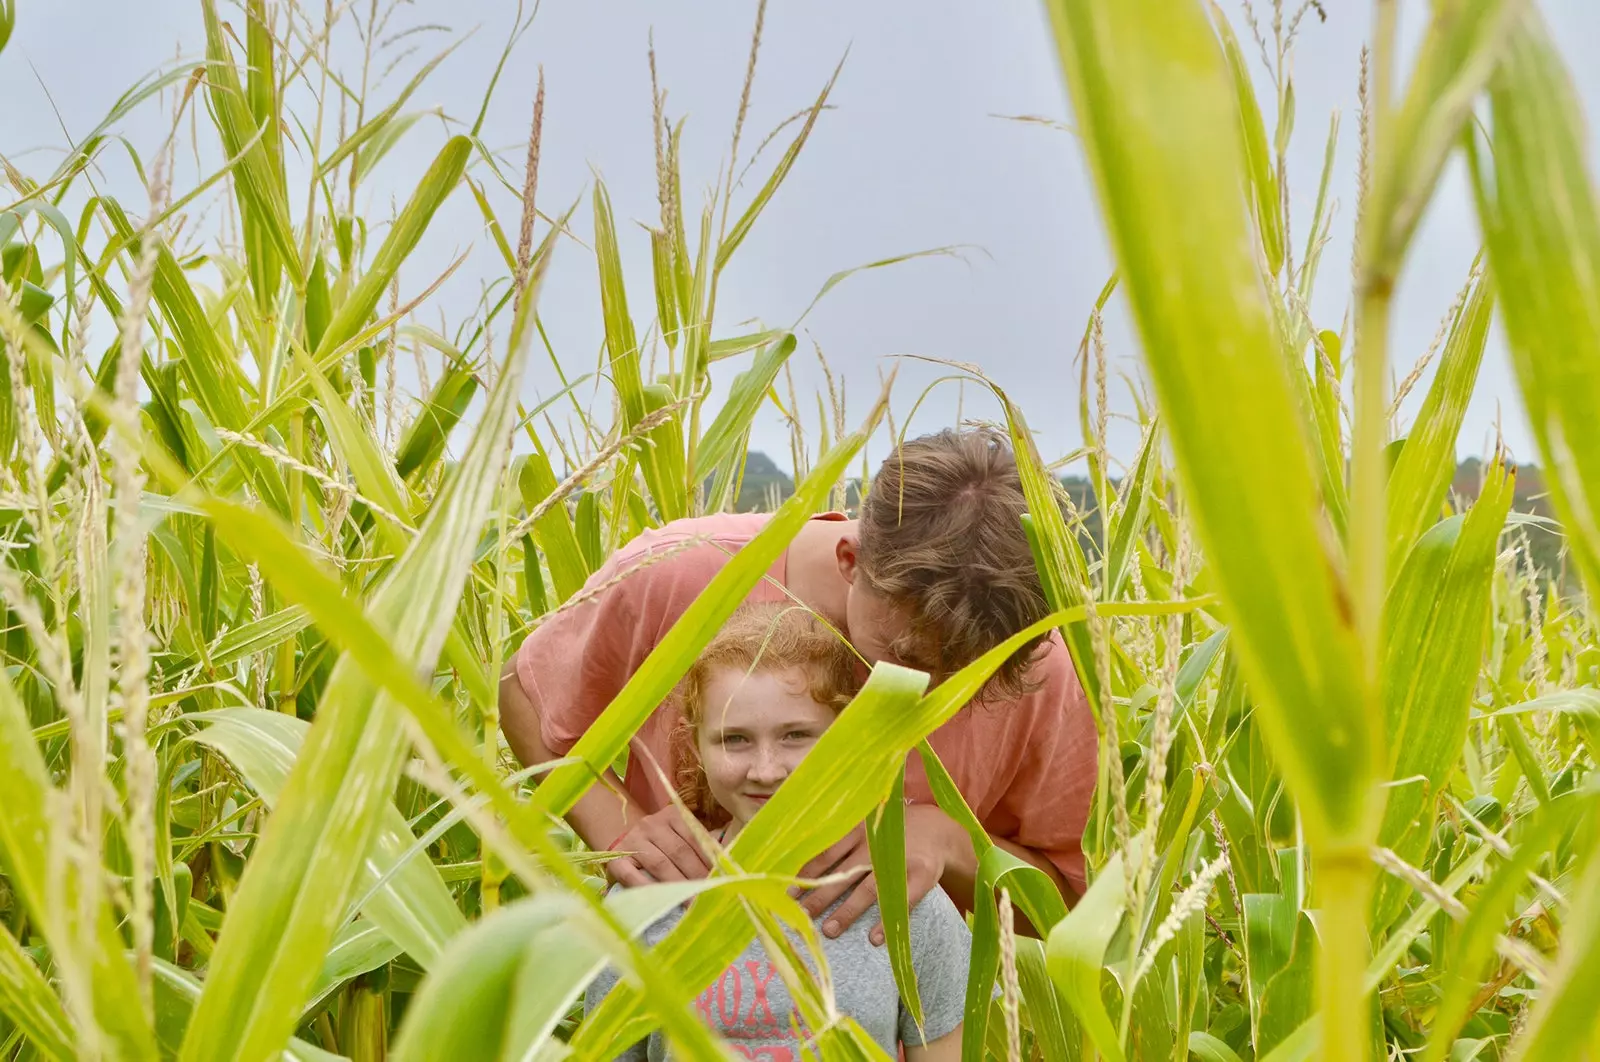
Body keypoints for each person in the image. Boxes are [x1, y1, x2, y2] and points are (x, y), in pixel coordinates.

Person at [499, 427, 1097, 939]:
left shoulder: (1034, 659)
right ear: (850, 561)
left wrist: (952, 843)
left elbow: (1066, 903)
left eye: (968, 677)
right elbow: (527, 695)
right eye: (906, 656)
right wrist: (621, 829)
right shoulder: (684, 573)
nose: (931, 691)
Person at [584, 604, 968, 1062]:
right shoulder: (643, 905)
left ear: (845, 738)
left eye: (796, 736)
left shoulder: (905, 901)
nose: (766, 771)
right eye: (735, 739)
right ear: (696, 746)